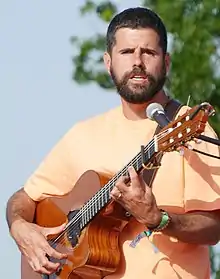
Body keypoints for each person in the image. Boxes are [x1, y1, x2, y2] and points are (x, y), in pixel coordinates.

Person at [6, 6, 220, 279]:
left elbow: (214, 227)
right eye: (127, 52)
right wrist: (20, 227)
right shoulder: (83, 135)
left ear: (166, 63)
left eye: (149, 52)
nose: (138, 62)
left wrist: (159, 218)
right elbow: (24, 198)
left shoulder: (187, 128)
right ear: (108, 62)